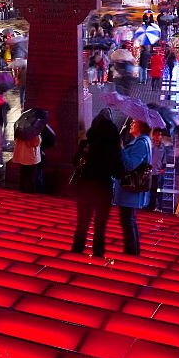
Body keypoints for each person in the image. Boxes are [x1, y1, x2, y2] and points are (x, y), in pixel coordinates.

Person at [71, 110, 122, 258]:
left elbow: (75, 163)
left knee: (82, 224)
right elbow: (119, 172)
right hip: (103, 191)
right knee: (100, 227)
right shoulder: (113, 149)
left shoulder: (86, 144)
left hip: (85, 189)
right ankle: (98, 257)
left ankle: (75, 255)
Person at [112, 119, 152, 256]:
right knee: (129, 220)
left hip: (130, 189)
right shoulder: (142, 141)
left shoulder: (141, 143)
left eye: (134, 122)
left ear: (141, 125)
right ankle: (133, 252)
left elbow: (131, 164)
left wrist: (122, 149)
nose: (131, 124)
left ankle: (130, 253)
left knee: (127, 220)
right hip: (130, 190)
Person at [149, 128, 168, 211]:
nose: (158, 136)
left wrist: (163, 168)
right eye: (156, 134)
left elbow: (164, 158)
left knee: (154, 190)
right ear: (153, 135)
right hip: (148, 171)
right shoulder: (150, 145)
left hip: (156, 172)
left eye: (160, 135)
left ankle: (152, 207)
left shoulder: (162, 147)